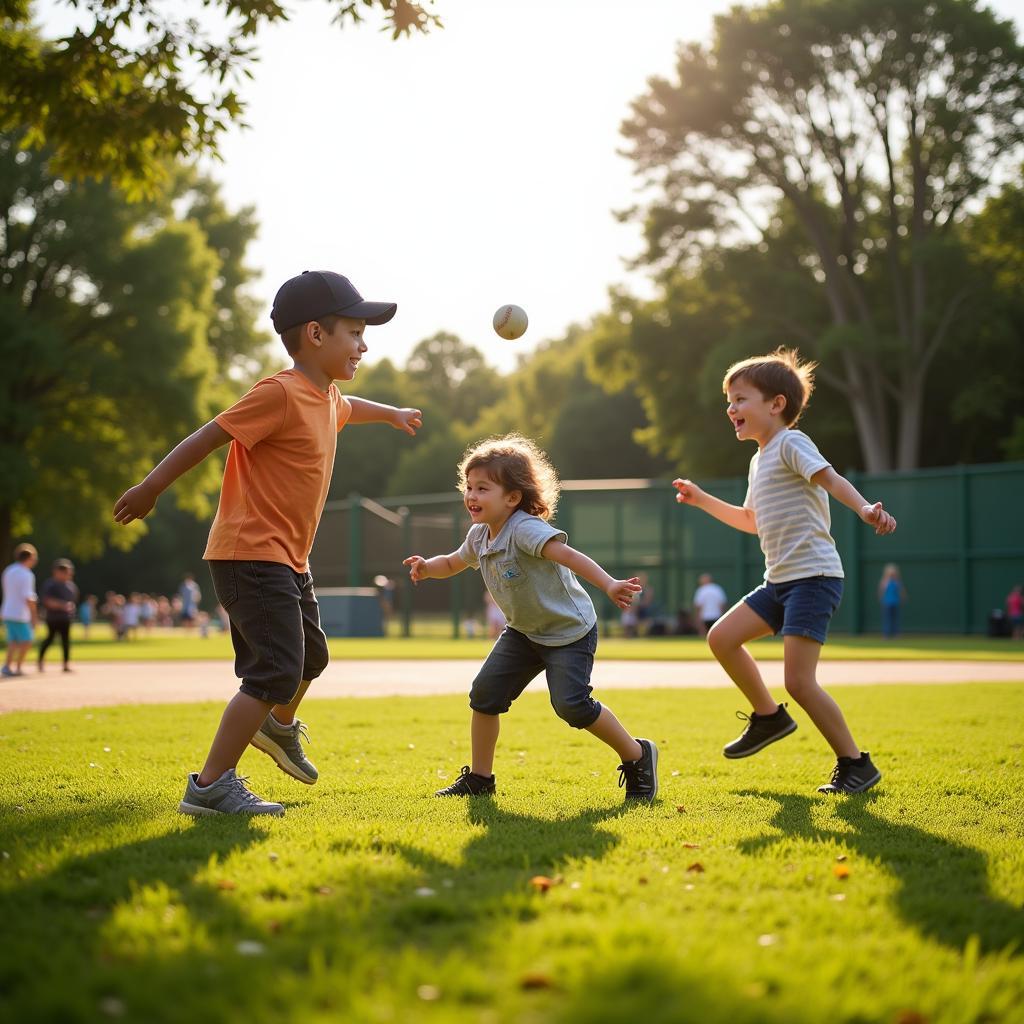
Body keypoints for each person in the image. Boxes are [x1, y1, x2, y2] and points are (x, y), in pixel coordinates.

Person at [114, 270, 422, 816]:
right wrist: (149, 487)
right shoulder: (279, 393)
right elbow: (210, 434)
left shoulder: (328, 399)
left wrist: (392, 415)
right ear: (315, 335)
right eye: (354, 332)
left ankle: (278, 729)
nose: (364, 344)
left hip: (285, 559)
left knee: (312, 658)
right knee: (274, 670)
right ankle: (210, 785)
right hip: (248, 554)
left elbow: (354, 409)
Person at [673, 348, 896, 795]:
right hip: (779, 581)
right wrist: (702, 500)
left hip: (813, 578)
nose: (730, 408)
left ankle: (856, 764)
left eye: (740, 399)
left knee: (798, 680)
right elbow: (750, 520)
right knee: (721, 637)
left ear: (775, 404)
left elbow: (831, 480)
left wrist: (865, 507)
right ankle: (769, 717)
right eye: (729, 400)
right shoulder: (759, 459)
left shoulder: (791, 443)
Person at [403, 434, 659, 802]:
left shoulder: (524, 528)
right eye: (469, 487)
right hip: (523, 633)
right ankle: (480, 778)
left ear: (512, 498)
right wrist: (428, 568)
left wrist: (609, 583)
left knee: (572, 705)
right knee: (485, 695)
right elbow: (453, 562)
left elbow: (569, 556)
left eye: (483, 488)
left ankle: (637, 755)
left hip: (569, 632)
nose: (472, 496)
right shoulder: (478, 536)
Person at [2, 543, 38, 677]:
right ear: (29, 558)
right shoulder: (26, 574)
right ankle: (17, 667)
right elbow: (28, 597)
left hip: (7, 611)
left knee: (13, 641)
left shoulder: (9, 570)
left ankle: (7, 666)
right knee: (27, 640)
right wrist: (34, 616)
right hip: (20, 613)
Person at [37, 558, 80, 672]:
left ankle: (66, 664)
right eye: (66, 572)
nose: (69, 575)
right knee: (50, 639)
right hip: (53, 618)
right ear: (58, 572)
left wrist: (70, 607)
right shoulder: (50, 584)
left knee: (66, 641)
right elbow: (47, 601)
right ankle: (40, 661)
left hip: (66, 618)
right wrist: (63, 605)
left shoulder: (71, 586)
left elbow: (73, 601)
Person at [878, 564, 907, 640]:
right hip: (887, 603)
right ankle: (886, 635)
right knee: (887, 619)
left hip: (895, 603)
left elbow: (901, 591)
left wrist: (902, 598)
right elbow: (881, 591)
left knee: (895, 619)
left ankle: (896, 634)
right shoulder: (885, 582)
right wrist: (882, 599)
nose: (892, 574)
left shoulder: (897, 582)